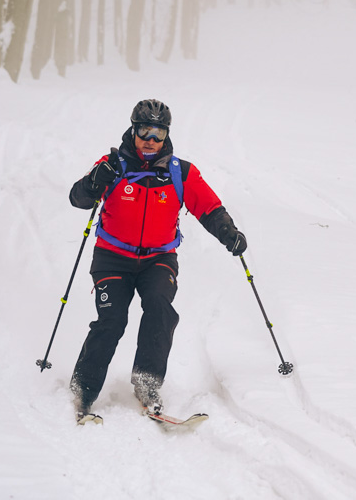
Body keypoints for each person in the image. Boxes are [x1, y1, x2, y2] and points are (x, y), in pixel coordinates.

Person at [68, 99, 247, 424]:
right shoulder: (113, 165)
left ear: (166, 135)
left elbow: (209, 208)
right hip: (112, 258)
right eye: (145, 131)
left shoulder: (180, 173)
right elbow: (78, 198)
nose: (151, 139)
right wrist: (95, 181)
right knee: (112, 322)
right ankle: (83, 390)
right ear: (133, 130)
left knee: (160, 310)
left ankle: (147, 384)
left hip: (159, 259)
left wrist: (228, 233)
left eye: (158, 132)